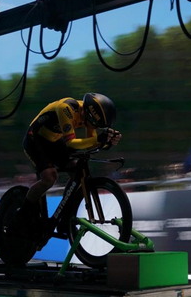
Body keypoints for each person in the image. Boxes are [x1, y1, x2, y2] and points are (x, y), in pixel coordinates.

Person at [14, 93, 122, 231]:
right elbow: (71, 143)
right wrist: (98, 140)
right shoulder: (66, 108)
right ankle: (22, 214)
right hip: (35, 139)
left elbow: (91, 144)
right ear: (88, 114)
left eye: (98, 126)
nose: (94, 127)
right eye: (94, 124)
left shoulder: (90, 116)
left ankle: (64, 219)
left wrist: (107, 142)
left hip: (54, 140)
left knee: (78, 172)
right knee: (49, 177)